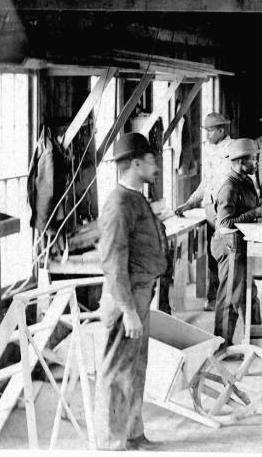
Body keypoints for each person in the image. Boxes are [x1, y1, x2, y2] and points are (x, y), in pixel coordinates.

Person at [94, 133, 168, 450]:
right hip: (124, 296)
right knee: (117, 370)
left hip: (140, 292)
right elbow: (113, 261)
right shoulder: (120, 203)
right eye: (151, 160)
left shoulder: (135, 198)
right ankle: (112, 442)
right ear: (135, 163)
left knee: (136, 368)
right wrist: (127, 310)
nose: (156, 166)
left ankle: (133, 433)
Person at [211, 138, 262, 346]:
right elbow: (225, 224)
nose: (256, 162)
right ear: (239, 161)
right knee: (230, 296)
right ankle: (221, 345)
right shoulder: (229, 187)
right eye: (253, 159)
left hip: (241, 244)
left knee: (249, 294)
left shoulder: (245, 181)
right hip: (229, 246)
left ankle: (256, 337)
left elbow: (249, 209)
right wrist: (254, 212)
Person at [174, 111, 233, 311]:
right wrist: (189, 203)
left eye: (210, 131)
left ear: (222, 130)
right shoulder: (211, 150)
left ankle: (226, 299)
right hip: (209, 211)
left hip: (223, 210)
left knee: (224, 255)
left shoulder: (232, 149)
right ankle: (214, 297)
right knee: (211, 255)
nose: (207, 135)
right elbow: (206, 183)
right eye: (206, 131)